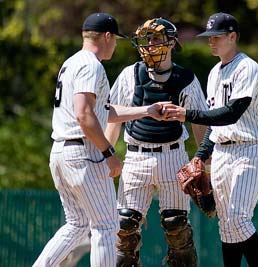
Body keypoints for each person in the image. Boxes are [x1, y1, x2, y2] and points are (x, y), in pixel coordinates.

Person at [33, 13, 168, 267]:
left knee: (77, 224)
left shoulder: (72, 62)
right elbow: (84, 115)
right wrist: (109, 153)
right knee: (106, 226)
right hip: (83, 153)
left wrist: (146, 110)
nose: (116, 45)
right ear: (107, 36)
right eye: (115, 39)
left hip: (61, 152)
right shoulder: (91, 65)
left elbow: (102, 112)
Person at [163, 12, 258, 267]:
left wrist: (187, 114)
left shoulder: (248, 68)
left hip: (249, 150)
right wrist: (200, 156)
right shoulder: (213, 73)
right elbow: (214, 122)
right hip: (222, 151)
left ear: (233, 36)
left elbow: (232, 113)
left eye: (217, 37)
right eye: (209, 37)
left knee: (239, 218)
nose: (211, 41)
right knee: (226, 224)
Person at [104, 18, 208, 267]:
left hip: (172, 156)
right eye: (147, 40)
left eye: (157, 40)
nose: (150, 45)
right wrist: (106, 154)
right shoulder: (131, 73)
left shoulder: (186, 78)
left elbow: (199, 121)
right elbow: (112, 115)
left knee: (177, 226)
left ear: (171, 43)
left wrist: (204, 160)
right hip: (136, 156)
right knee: (124, 226)